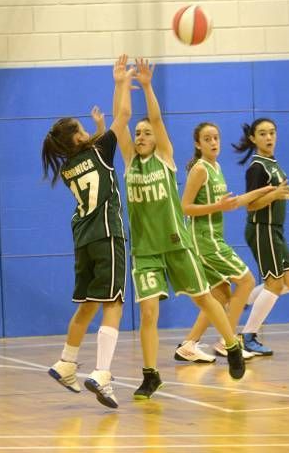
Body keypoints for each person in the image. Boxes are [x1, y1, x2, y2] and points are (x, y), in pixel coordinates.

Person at [117, 59, 246, 399]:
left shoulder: (166, 158)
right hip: (145, 251)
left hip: (177, 244)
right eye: (139, 133)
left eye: (147, 133)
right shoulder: (130, 163)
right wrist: (120, 84)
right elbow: (121, 124)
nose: (142, 136)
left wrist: (146, 86)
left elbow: (155, 119)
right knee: (148, 312)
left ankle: (232, 345)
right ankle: (150, 374)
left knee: (205, 298)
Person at [41, 54, 134, 409]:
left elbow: (99, 138)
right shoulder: (100, 152)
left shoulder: (68, 168)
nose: (88, 130)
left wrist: (96, 128)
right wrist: (120, 83)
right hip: (108, 234)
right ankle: (102, 372)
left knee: (87, 305)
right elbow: (123, 119)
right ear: (78, 138)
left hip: (82, 240)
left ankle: (66, 362)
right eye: (82, 128)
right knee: (114, 303)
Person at [174, 122, 287, 363]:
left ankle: (189, 345)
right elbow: (184, 207)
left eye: (216, 138)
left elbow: (233, 203)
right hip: (203, 239)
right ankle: (229, 342)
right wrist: (217, 207)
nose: (213, 143)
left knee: (220, 297)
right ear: (198, 144)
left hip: (213, 237)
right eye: (207, 139)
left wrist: (264, 192)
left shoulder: (216, 167)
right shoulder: (200, 169)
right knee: (247, 281)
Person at [232, 118, 289, 357]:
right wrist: (276, 196)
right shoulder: (257, 167)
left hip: (276, 229)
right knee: (274, 283)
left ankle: (241, 301)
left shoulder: (272, 163)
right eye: (262, 134)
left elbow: (276, 192)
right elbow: (251, 205)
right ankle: (248, 336)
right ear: (253, 138)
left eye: (272, 132)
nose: (269, 137)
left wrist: (288, 195)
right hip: (262, 228)